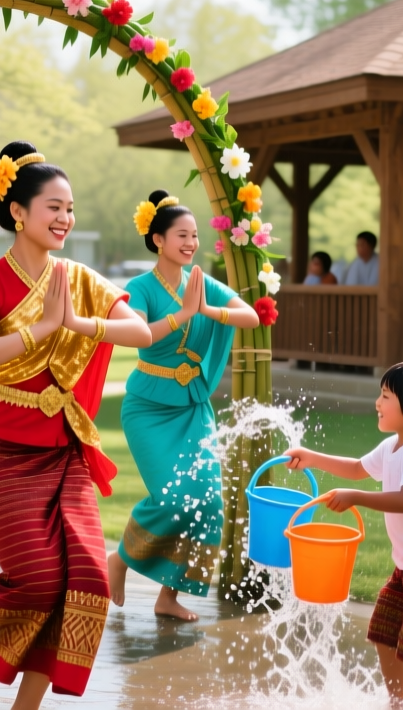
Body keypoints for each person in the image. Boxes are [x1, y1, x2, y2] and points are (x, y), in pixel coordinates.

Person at [0, 142, 152, 710]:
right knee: (35, 581)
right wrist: (44, 329)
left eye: (70, 208)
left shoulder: (79, 279)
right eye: (53, 207)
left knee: (87, 583)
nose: (64, 219)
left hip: (65, 451)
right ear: (18, 212)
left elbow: (141, 334)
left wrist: (78, 322)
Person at [284, 361, 403, 710]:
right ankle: (398, 705)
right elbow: (358, 468)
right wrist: (312, 457)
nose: (378, 402)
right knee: (384, 634)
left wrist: (355, 497)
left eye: (386, 396)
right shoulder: (394, 446)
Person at [107, 190, 260, 622]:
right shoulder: (138, 289)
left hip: (192, 409)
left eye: (195, 236)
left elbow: (249, 315)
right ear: (158, 239)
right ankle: (120, 559)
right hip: (148, 410)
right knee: (174, 498)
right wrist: (182, 315)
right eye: (181, 235)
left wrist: (205, 308)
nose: (191, 243)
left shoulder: (201, 283)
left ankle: (168, 596)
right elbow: (138, 334)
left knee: (208, 501)